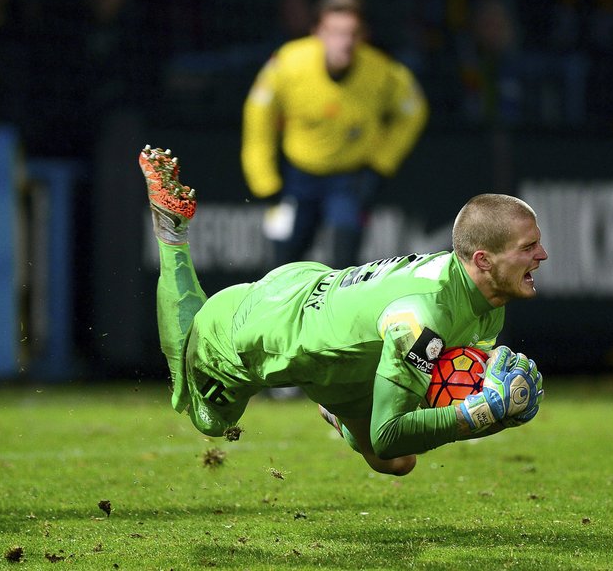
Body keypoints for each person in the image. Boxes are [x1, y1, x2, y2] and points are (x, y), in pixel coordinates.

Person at [139, 145, 544, 476]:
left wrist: (487, 403)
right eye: (527, 248)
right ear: (484, 260)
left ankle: (334, 397)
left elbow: (437, 389)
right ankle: (172, 234)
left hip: (324, 300)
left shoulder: (485, 301)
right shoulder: (422, 319)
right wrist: (480, 414)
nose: (542, 255)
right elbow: (389, 432)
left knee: (397, 464)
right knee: (209, 419)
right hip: (259, 325)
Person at [241, 0, 428, 269]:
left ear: (363, 35)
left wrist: (381, 164)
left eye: (352, 33)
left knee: (345, 261)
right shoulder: (287, 63)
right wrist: (264, 179)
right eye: (335, 32)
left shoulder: (382, 72)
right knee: (283, 264)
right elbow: (258, 114)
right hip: (298, 177)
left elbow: (414, 112)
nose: (345, 42)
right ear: (317, 32)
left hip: (348, 181)